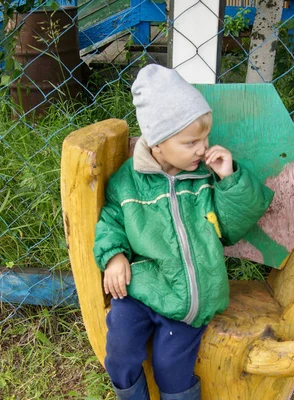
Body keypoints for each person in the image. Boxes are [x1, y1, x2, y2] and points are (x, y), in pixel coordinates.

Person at [93, 64, 274, 400]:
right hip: (140, 290)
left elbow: (234, 225)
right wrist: (114, 255)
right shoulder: (128, 181)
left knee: (171, 369)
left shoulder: (205, 179)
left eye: (205, 138)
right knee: (120, 352)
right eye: (191, 141)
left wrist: (229, 178)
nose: (202, 148)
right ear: (158, 143)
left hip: (192, 298)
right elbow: (110, 220)